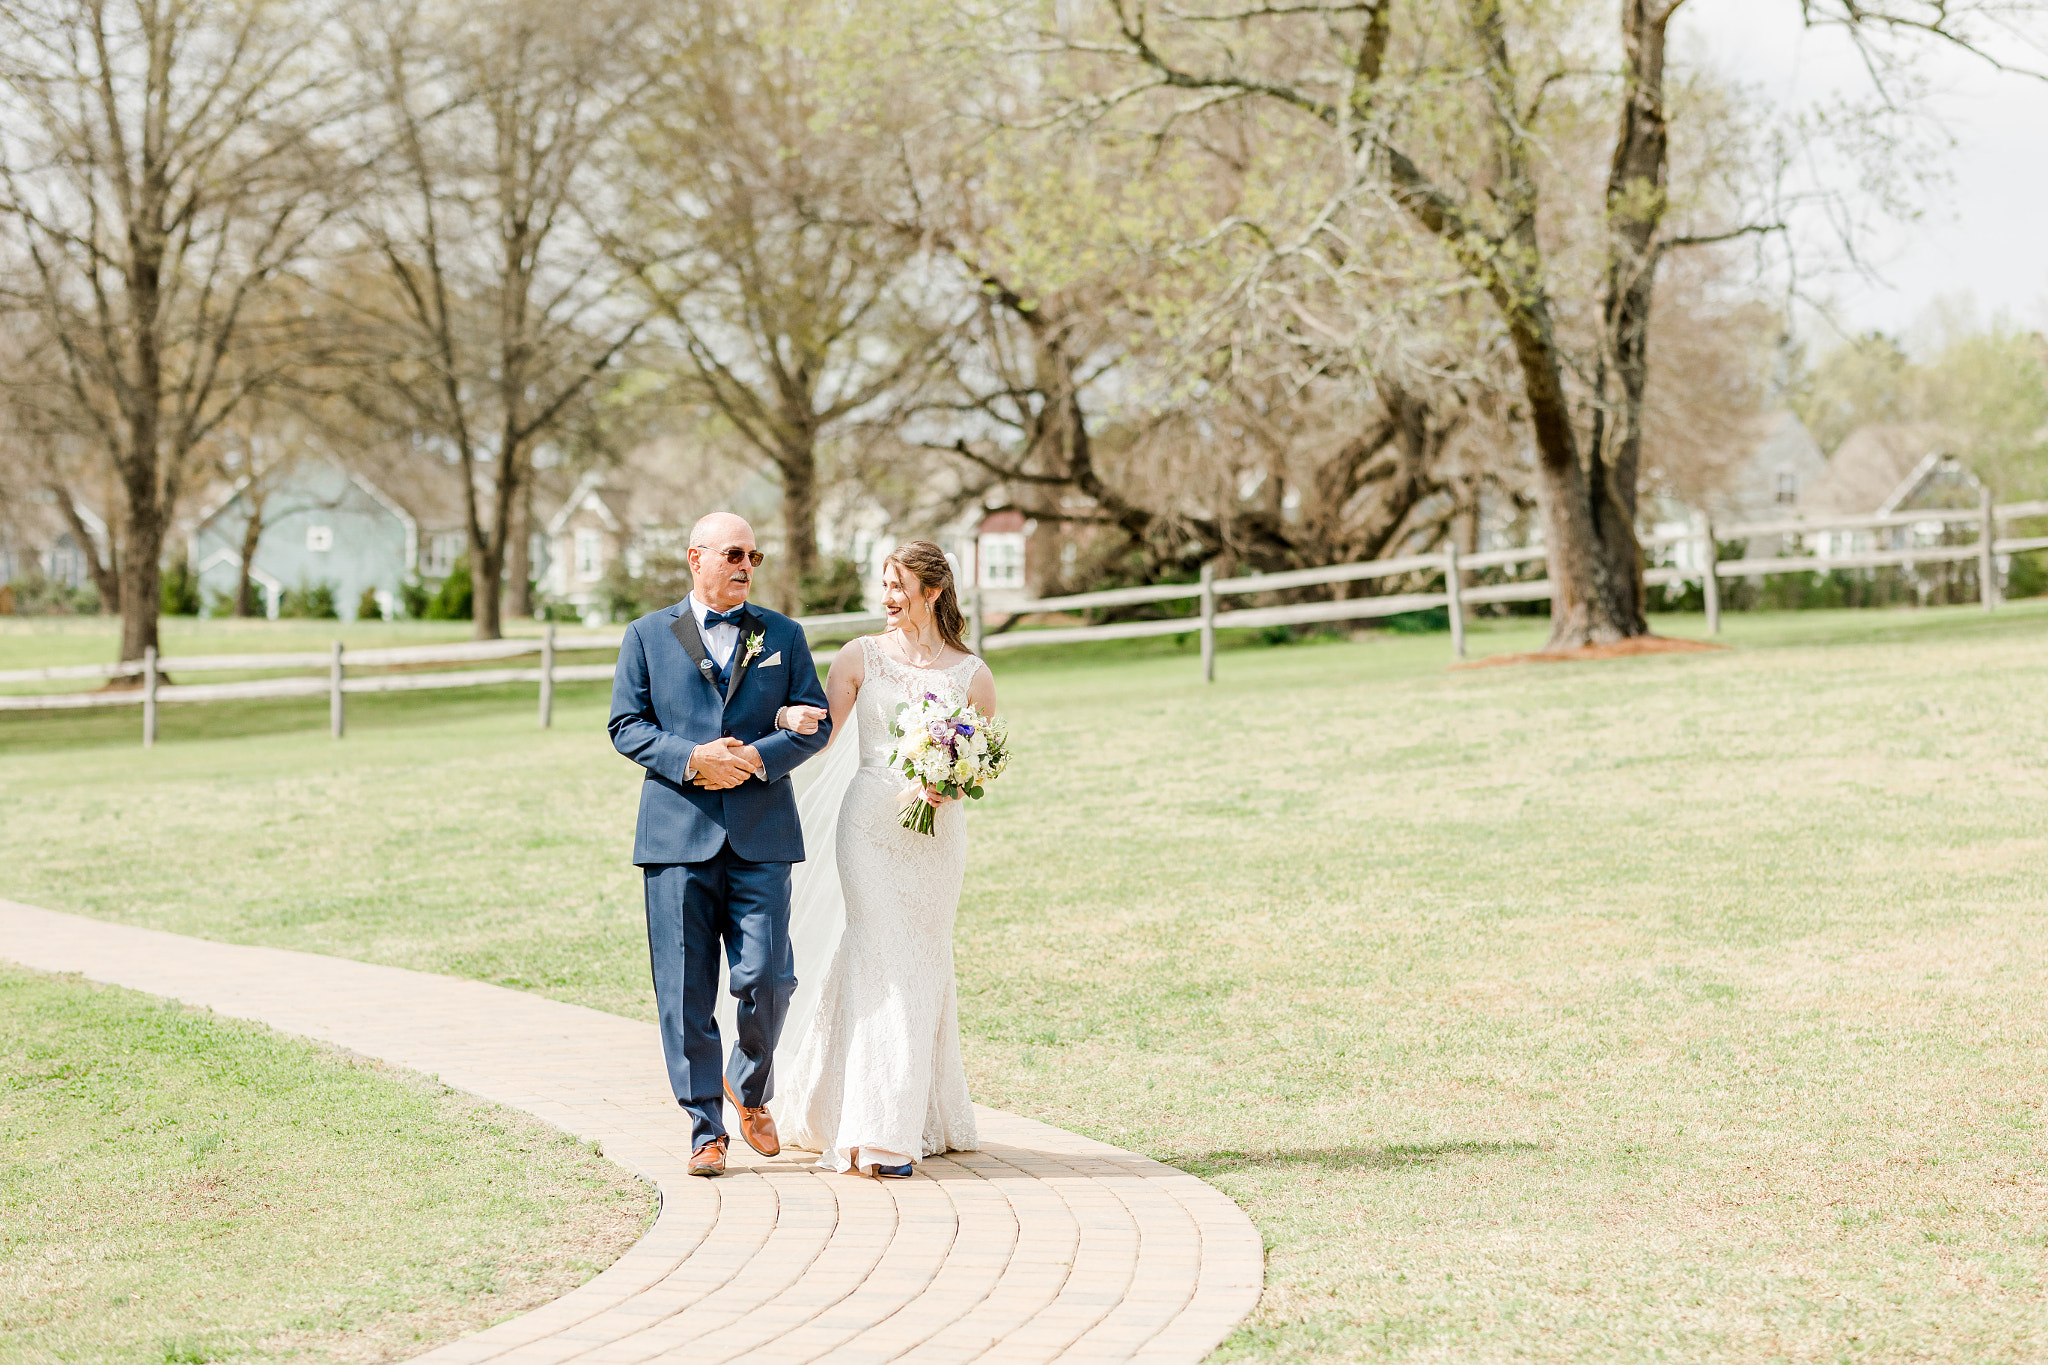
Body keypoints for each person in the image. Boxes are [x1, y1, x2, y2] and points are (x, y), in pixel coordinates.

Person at [607, 512, 832, 1178]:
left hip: (761, 831)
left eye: (755, 556)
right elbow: (625, 723)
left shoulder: (783, 635)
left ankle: (749, 1084)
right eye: (735, 553)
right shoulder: (646, 635)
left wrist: (756, 758)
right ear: (695, 557)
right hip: (676, 835)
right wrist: (691, 757)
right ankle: (706, 1128)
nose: (746, 565)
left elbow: (814, 722)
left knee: (770, 974)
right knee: (683, 991)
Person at [767, 540, 995, 1179]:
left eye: (899, 586)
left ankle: (906, 1110)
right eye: (885, 584)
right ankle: (877, 1131)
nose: (888, 597)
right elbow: (820, 735)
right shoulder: (858, 656)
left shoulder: (971, 674)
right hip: (868, 829)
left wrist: (944, 783)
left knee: (922, 964)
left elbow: (980, 759)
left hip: (935, 838)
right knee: (878, 957)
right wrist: (782, 714)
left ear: (934, 591)